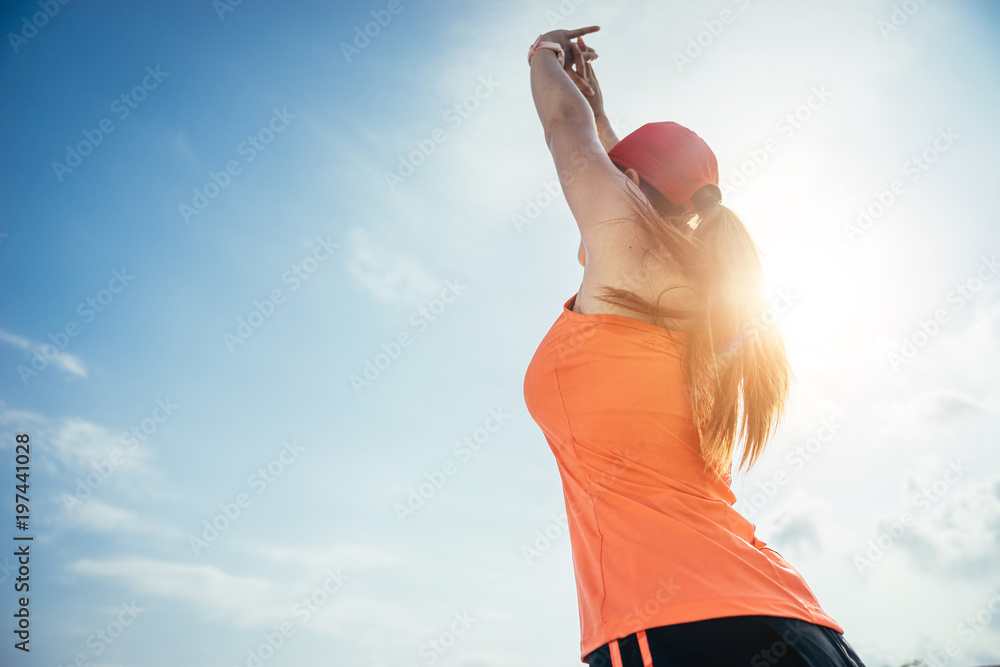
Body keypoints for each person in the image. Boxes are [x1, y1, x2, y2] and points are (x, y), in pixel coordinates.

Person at [522, 26, 867, 667]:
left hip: (681, 627)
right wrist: (603, 118)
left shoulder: (629, 254)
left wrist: (542, 53)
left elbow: (563, 130)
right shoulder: (698, 297)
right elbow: (619, 166)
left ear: (625, 186)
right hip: (797, 626)